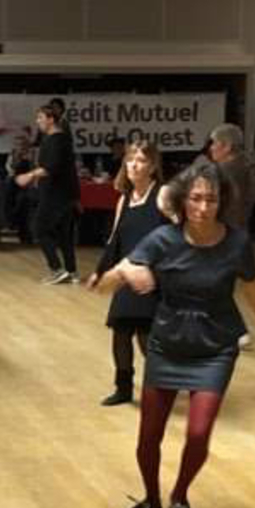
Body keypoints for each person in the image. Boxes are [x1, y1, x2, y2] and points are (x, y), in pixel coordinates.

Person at [94, 161, 255, 508]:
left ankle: (180, 497)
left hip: (215, 347)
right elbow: (102, 286)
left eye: (211, 200)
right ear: (183, 201)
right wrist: (123, 272)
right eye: (196, 198)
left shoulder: (236, 243)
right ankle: (151, 498)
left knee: (199, 434)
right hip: (167, 343)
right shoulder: (162, 240)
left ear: (222, 202)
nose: (203, 207)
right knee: (149, 435)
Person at [87, 141, 168, 406]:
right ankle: (123, 389)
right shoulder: (124, 199)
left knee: (146, 337)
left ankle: (163, 386)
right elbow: (115, 241)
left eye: (141, 160)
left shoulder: (163, 195)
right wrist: (100, 271)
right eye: (130, 160)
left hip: (154, 277)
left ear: (152, 166)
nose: (134, 165)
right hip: (126, 274)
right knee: (120, 331)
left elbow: (179, 235)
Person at [17, 105, 80, 284]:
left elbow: (51, 167)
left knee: (39, 228)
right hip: (64, 193)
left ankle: (57, 269)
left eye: (40, 118)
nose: (37, 121)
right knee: (63, 233)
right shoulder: (60, 139)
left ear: (51, 119)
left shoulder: (56, 140)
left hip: (56, 194)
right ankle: (71, 271)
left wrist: (29, 176)